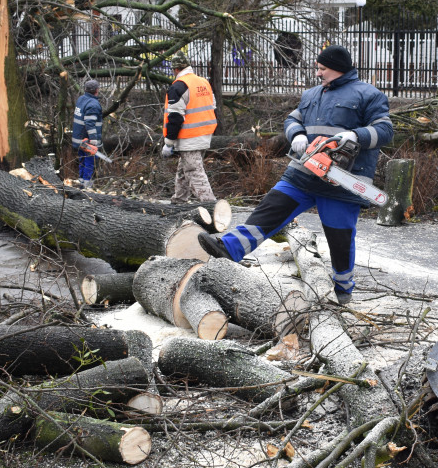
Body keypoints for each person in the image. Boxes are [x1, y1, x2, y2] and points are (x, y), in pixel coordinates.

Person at [197, 45, 393, 305]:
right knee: (269, 210)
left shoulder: (368, 94)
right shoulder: (312, 94)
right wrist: (297, 134)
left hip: (343, 179)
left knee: (340, 236)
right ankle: (229, 248)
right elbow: (292, 118)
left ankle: (343, 286)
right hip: (303, 171)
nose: (318, 73)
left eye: (322, 68)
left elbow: (386, 129)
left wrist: (356, 135)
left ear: (337, 68)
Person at [162, 51, 217, 203]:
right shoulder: (203, 82)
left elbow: (175, 118)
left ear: (175, 69)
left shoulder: (179, 86)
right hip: (205, 133)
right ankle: (179, 200)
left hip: (189, 136)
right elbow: (213, 105)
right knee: (183, 170)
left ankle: (211, 206)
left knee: (194, 172)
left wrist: (169, 142)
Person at [71, 79, 103, 188]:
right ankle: (86, 187)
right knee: (89, 163)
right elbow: (90, 123)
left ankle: (81, 183)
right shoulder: (93, 104)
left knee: (82, 161)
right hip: (88, 140)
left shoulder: (81, 99)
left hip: (78, 138)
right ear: (97, 90)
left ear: (86, 89)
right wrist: (94, 141)